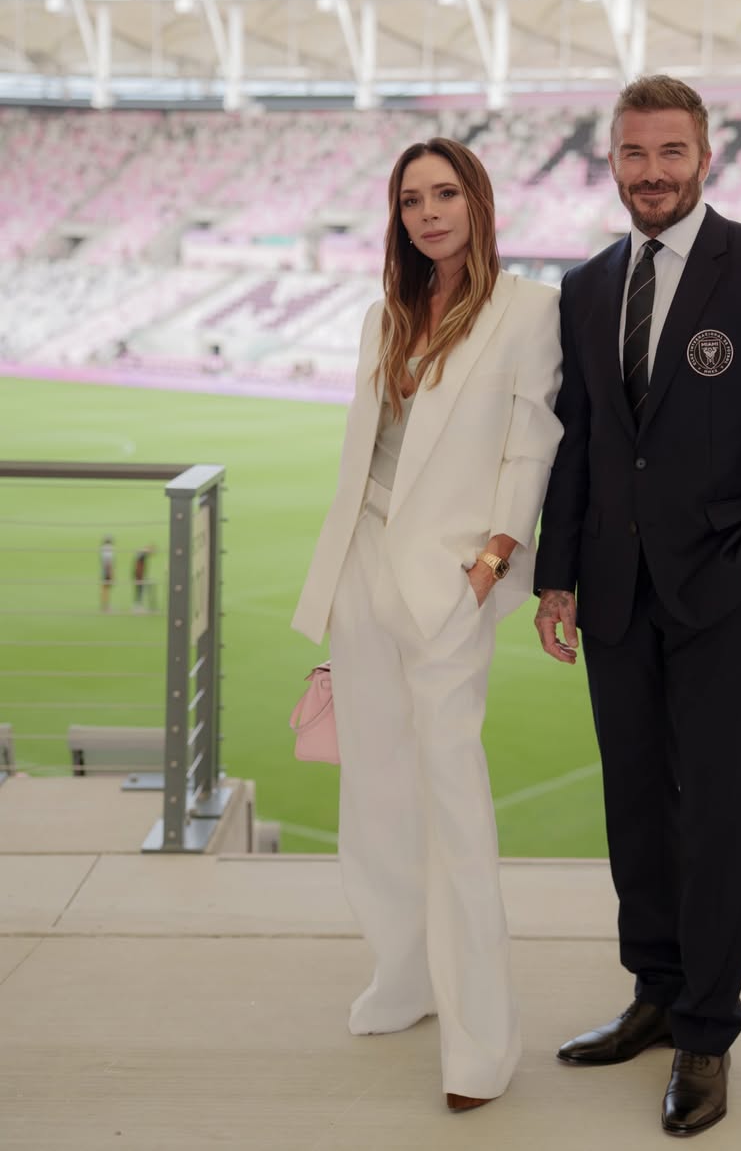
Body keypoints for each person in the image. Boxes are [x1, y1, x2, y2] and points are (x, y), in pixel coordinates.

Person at [533, 75, 741, 1137]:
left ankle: (708, 1033)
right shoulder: (584, 286)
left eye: (671, 152)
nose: (652, 172)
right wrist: (558, 575)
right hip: (615, 600)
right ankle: (654, 993)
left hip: (719, 599)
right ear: (610, 161)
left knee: (711, 822)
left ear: (705, 156)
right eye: (633, 153)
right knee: (635, 816)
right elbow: (579, 447)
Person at [292, 137, 563, 1114]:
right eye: (412, 199)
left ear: (477, 202)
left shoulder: (530, 310)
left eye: (445, 193)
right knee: (375, 792)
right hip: (363, 573)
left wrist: (494, 561)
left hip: (453, 583)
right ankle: (403, 971)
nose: (429, 212)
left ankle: (482, 1040)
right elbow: (368, 456)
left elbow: (532, 442)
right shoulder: (384, 315)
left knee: (452, 800)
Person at [132, 544, 156, 612]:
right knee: (139, 590)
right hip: (139, 575)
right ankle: (137, 607)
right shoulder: (142, 555)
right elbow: (138, 567)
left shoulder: (142, 554)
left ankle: (138, 606)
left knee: (140, 590)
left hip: (139, 575)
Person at [98, 536, 114, 612]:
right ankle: (106, 607)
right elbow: (109, 563)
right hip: (106, 572)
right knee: (106, 590)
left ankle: (104, 606)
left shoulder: (103, 549)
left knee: (104, 589)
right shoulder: (108, 550)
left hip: (103, 571)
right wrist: (111, 573)